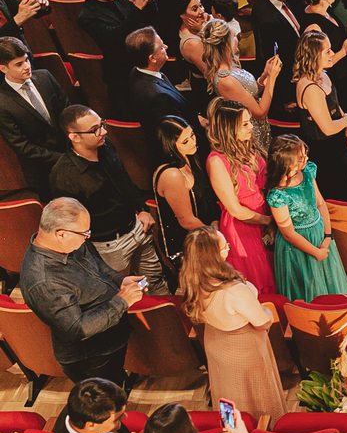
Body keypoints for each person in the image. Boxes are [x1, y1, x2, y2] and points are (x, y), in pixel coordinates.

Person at [20, 198, 144, 384]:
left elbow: (94, 263)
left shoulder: (66, 243)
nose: (87, 237)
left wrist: (120, 280)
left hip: (108, 337)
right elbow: (77, 329)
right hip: (92, 357)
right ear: (61, 234)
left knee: (118, 378)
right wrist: (121, 302)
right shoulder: (44, 282)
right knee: (109, 395)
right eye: (85, 233)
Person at [50, 106, 167, 292]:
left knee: (153, 282)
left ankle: (160, 307)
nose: (103, 132)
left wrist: (143, 209)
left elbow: (124, 180)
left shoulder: (105, 145)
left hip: (137, 228)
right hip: (111, 247)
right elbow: (72, 227)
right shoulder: (64, 176)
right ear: (74, 137)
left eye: (101, 124)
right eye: (94, 130)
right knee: (125, 292)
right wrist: (97, 263)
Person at [265, 135, 347, 301]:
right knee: (309, 288)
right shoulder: (278, 195)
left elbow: (320, 203)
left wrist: (327, 235)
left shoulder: (307, 172)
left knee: (329, 282)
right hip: (298, 246)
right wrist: (316, 252)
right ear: (286, 162)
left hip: (319, 234)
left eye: (305, 153)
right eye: (300, 157)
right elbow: (288, 234)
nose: (306, 158)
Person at [206, 99, 274, 295]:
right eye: (245, 124)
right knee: (258, 285)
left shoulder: (249, 147)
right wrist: (269, 221)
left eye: (249, 121)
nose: (251, 127)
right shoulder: (217, 161)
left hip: (266, 219)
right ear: (229, 128)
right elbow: (235, 209)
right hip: (243, 229)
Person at [0, 36, 69, 202]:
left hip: (72, 154)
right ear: (3, 68)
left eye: (26, 60)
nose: (27, 66)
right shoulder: (2, 103)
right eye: (19, 64)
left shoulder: (45, 77)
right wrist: (62, 158)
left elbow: (67, 110)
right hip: (44, 173)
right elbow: (22, 147)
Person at [78, 0, 156, 104]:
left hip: (140, 62)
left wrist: (149, 3)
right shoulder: (87, 16)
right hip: (121, 75)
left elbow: (143, 22)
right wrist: (137, 8)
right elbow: (116, 39)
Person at [126, 26, 209, 158]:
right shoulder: (158, 97)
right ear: (152, 58)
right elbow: (180, 135)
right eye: (161, 47)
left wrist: (197, 117)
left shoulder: (137, 71)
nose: (166, 47)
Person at [293, 31, 347, 202]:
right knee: (336, 199)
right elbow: (327, 128)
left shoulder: (323, 75)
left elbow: (334, 105)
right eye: (327, 51)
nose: (332, 54)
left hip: (336, 148)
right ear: (314, 56)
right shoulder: (310, 88)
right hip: (325, 156)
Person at [201, 18, 280, 152]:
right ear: (226, 44)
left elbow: (248, 95)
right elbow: (260, 113)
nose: (237, 39)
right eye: (234, 36)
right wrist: (272, 78)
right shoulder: (225, 80)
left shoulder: (232, 65)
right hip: (250, 136)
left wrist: (264, 76)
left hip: (260, 129)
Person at [153, 116, 218, 264]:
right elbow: (187, 222)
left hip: (204, 231)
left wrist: (215, 223)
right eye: (185, 141)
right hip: (186, 246)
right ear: (170, 146)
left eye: (192, 135)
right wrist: (217, 235)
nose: (193, 142)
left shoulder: (190, 157)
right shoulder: (171, 175)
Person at [251, 0, 301, 116]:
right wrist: (285, 97)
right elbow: (271, 60)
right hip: (287, 87)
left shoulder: (278, 0)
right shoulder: (266, 18)